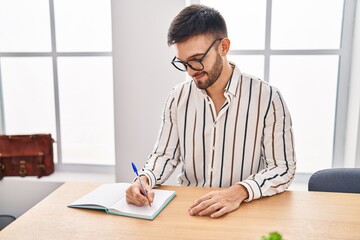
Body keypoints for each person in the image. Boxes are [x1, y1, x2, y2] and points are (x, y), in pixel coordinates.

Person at [125, 4, 296, 218]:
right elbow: (165, 154)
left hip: (243, 210)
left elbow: (282, 167)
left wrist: (238, 192)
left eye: (197, 60)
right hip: (191, 209)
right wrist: (144, 179)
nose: (190, 71)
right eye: (183, 63)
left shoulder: (268, 97)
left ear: (223, 47)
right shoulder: (177, 97)